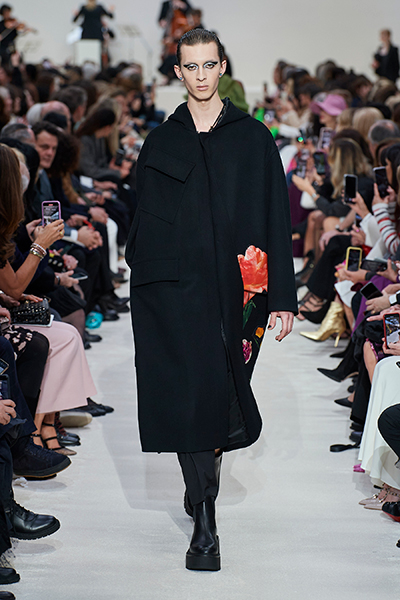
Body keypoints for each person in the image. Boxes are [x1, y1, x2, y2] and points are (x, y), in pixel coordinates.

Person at [126, 29, 297, 571]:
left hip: (242, 290)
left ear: (222, 67)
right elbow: (142, 222)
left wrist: (283, 297)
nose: (200, 76)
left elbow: (276, 217)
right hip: (175, 290)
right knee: (188, 393)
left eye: (208, 65)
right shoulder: (162, 141)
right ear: (177, 72)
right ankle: (205, 522)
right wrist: (144, 286)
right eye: (190, 66)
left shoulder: (253, 138)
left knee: (221, 393)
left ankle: (203, 474)